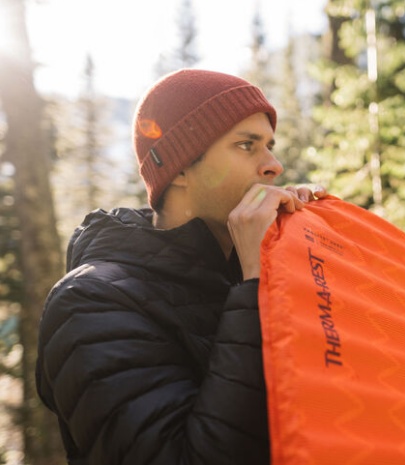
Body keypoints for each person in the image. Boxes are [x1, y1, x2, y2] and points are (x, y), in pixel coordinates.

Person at [36, 69, 326, 464]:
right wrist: (257, 284)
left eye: (270, 146)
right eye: (247, 145)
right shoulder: (88, 302)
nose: (274, 165)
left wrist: (309, 254)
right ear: (181, 169)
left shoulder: (253, 268)